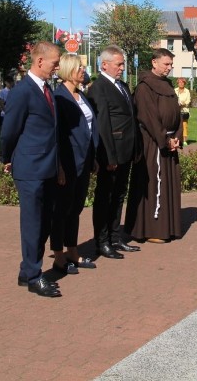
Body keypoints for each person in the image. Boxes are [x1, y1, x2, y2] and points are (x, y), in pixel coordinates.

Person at [1, 41, 62, 298]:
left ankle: (27, 270)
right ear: (39, 61)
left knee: (45, 223)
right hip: (29, 168)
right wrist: (8, 158)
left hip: (48, 166)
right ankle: (35, 276)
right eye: (54, 63)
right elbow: (9, 131)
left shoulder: (47, 89)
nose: (57, 68)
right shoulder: (22, 91)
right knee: (32, 224)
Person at [87, 45, 142, 260]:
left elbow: (129, 118)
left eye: (123, 64)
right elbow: (103, 125)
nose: (122, 68)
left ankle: (115, 236)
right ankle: (101, 242)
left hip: (126, 151)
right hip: (111, 154)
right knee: (105, 198)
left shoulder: (123, 86)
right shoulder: (99, 88)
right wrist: (108, 156)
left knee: (119, 196)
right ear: (105, 65)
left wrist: (136, 147)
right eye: (119, 64)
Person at [125, 48, 183, 244]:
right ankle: (151, 228)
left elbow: (177, 113)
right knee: (152, 185)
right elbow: (148, 117)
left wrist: (176, 137)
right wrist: (165, 140)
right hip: (152, 143)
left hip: (168, 142)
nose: (169, 68)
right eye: (166, 64)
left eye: (171, 64)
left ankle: (167, 227)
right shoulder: (145, 87)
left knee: (168, 185)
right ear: (154, 63)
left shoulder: (167, 85)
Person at [50, 53, 99, 276]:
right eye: (80, 67)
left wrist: (94, 158)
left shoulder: (81, 95)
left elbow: (90, 129)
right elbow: (57, 135)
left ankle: (73, 250)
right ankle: (58, 255)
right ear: (69, 70)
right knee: (62, 209)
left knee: (76, 208)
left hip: (84, 161)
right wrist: (58, 166)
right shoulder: (59, 98)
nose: (83, 71)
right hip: (68, 163)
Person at [175, 77, 191, 149]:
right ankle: (176, 139)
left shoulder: (187, 91)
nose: (181, 84)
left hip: (184, 111)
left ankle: (184, 140)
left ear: (184, 83)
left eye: (182, 82)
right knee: (176, 125)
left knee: (184, 126)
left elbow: (188, 101)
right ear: (177, 83)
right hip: (176, 111)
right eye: (179, 82)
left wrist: (182, 104)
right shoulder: (175, 90)